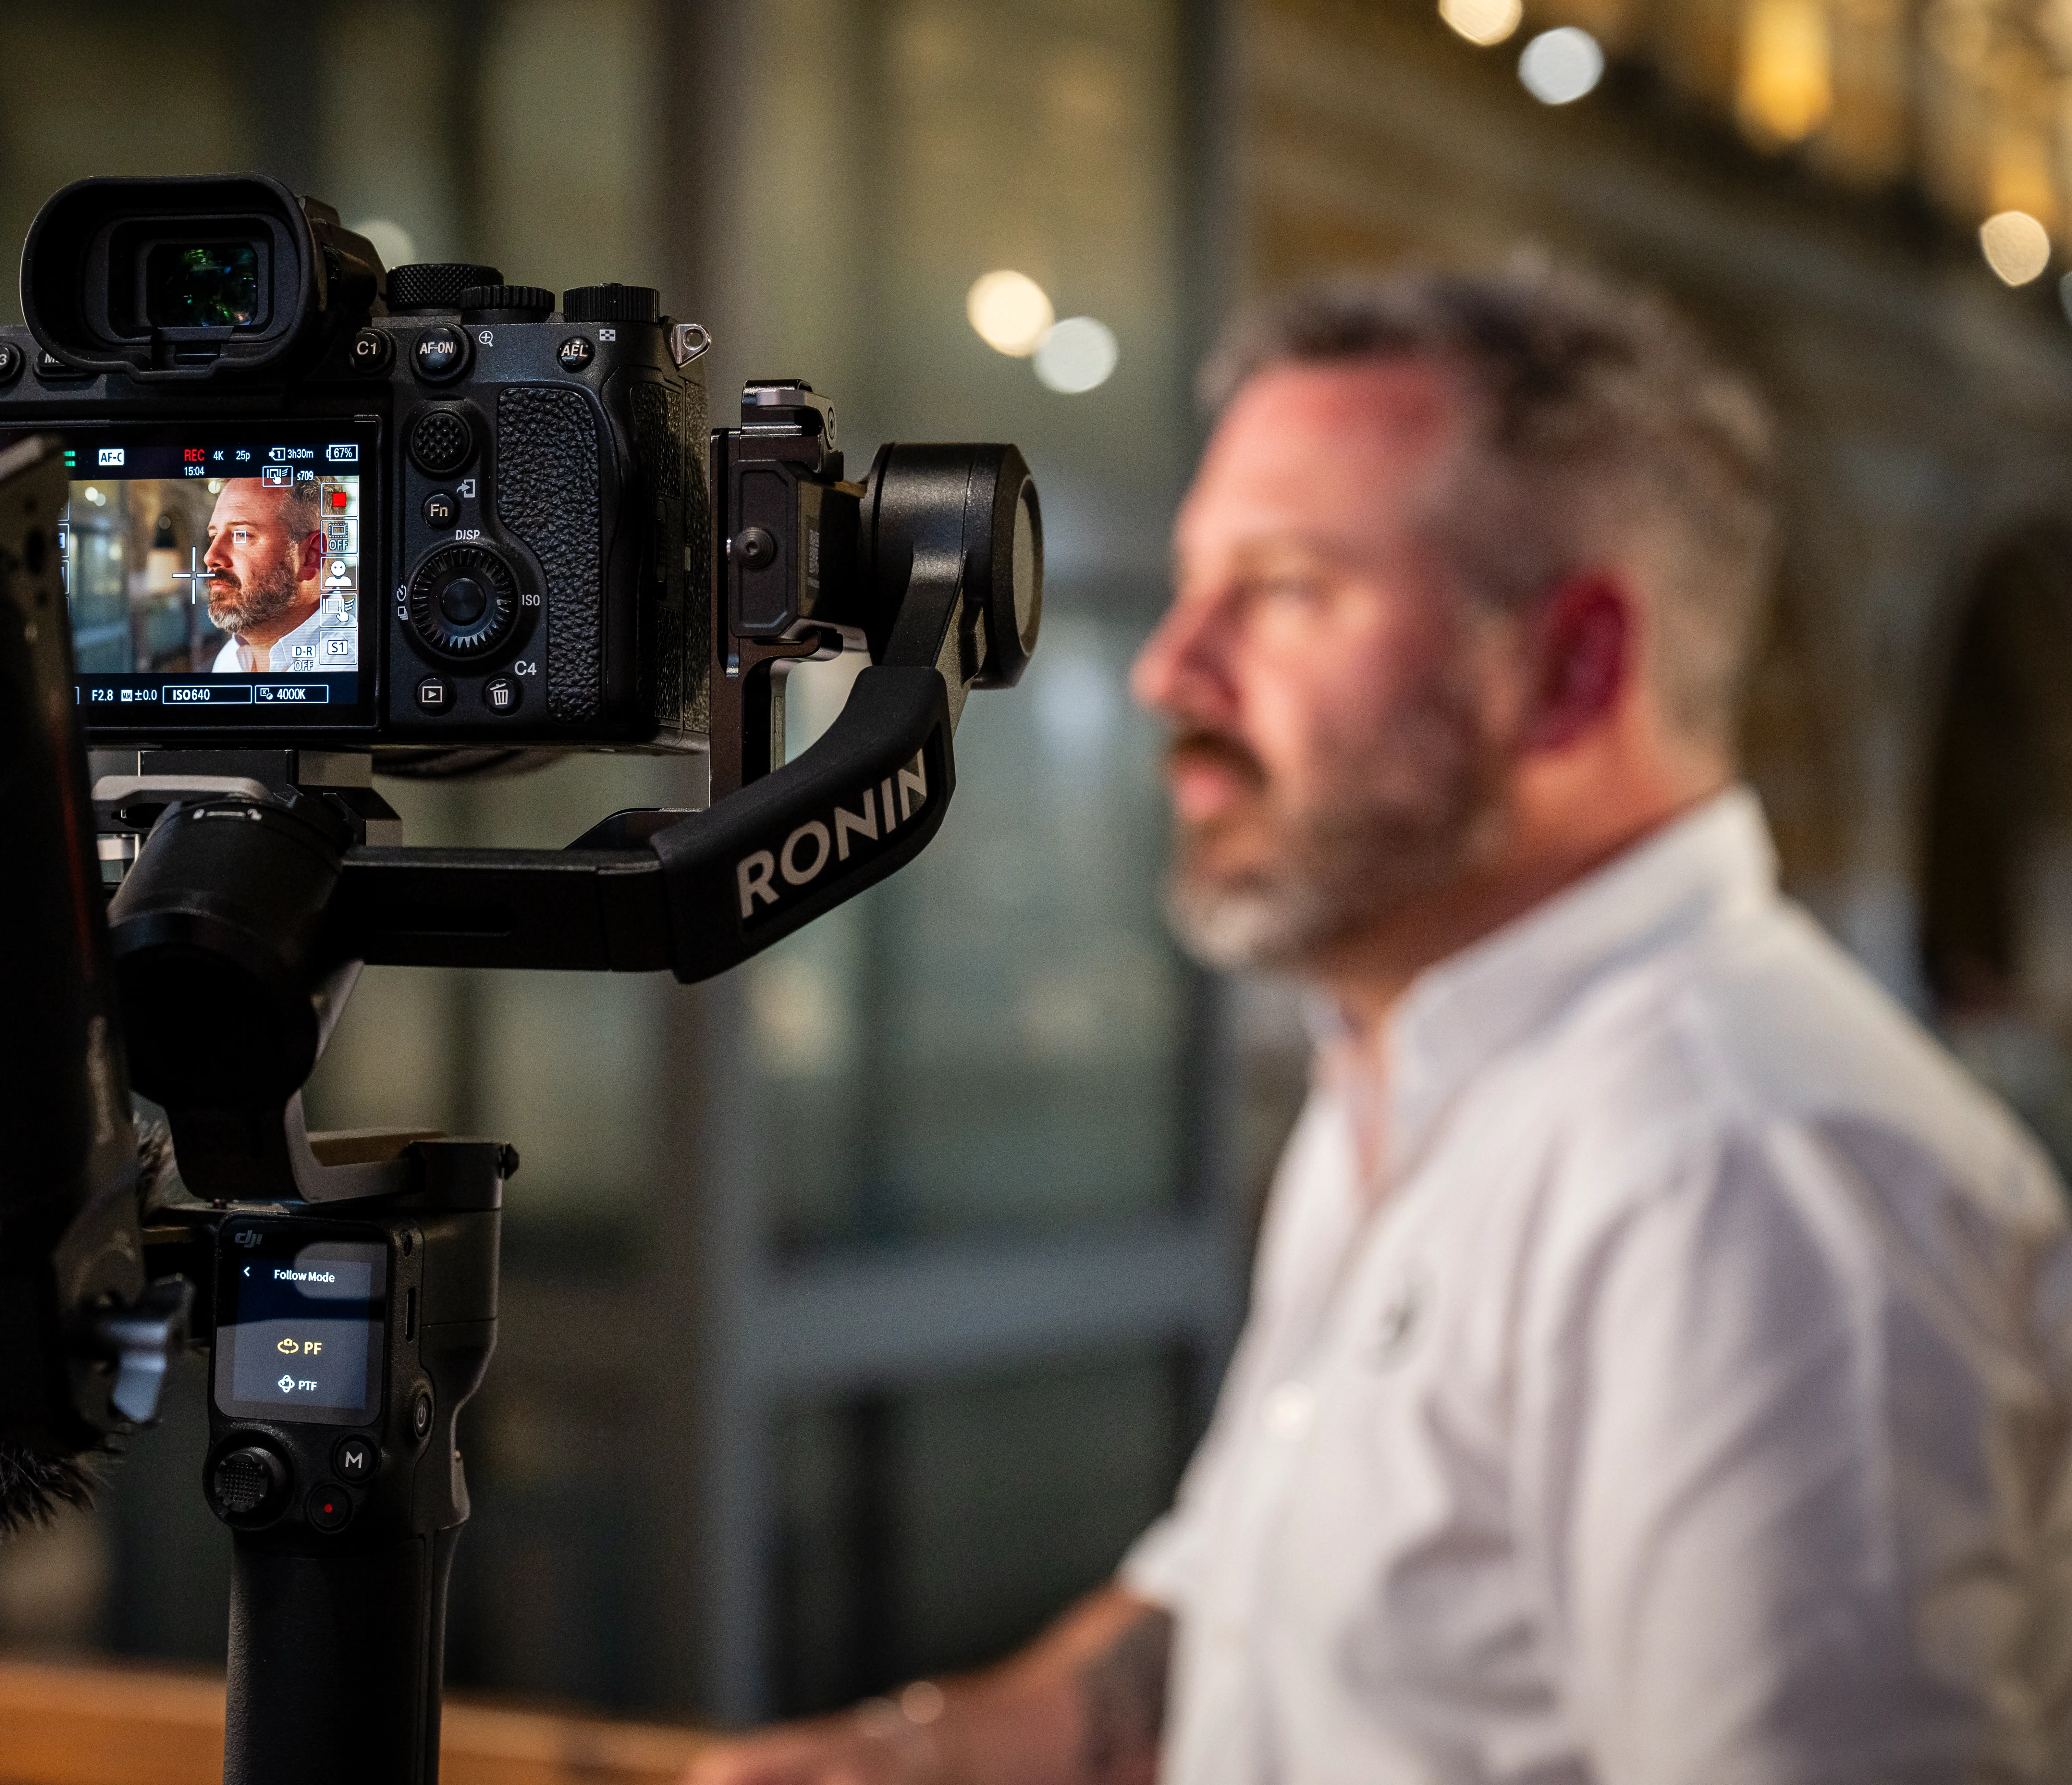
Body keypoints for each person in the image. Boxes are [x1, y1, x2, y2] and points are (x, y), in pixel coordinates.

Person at [685, 266, 2072, 1783]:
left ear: (1572, 666)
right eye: (1194, 584)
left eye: (1282, 590)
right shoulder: (1419, 1059)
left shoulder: (1742, 1176)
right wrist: (905, 1754)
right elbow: (1234, 1608)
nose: (1170, 670)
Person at [202, 475, 352, 673]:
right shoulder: (229, 659)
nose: (210, 557)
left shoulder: (348, 671)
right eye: (214, 536)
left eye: (242, 535)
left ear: (311, 556)